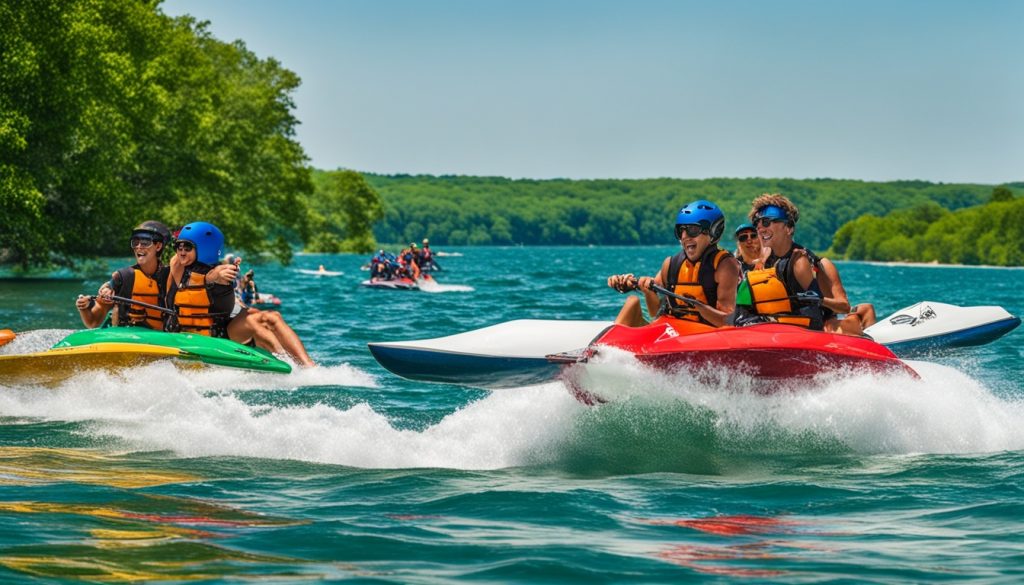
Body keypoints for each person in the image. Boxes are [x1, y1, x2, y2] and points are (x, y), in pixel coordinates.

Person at [167, 221, 315, 367]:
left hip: (220, 333)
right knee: (253, 322)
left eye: (187, 247)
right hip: (190, 335)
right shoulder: (179, 267)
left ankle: (307, 367)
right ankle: (287, 364)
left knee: (272, 317)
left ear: (205, 247)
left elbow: (219, 277)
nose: (181, 251)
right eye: (178, 246)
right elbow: (209, 275)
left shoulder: (222, 270)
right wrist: (211, 277)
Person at [607, 199, 741, 327]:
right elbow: (655, 312)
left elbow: (727, 322)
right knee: (632, 302)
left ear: (714, 232)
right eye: (680, 231)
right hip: (673, 332)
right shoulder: (670, 264)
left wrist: (697, 306)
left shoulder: (726, 266)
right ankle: (602, 349)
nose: (684, 237)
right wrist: (637, 286)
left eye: (692, 230)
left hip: (705, 335)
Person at [76, 221, 173, 329]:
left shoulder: (172, 277)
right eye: (135, 242)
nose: (139, 247)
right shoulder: (123, 278)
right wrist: (84, 307)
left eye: (145, 242)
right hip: (125, 340)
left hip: (159, 341)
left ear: (158, 246)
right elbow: (93, 322)